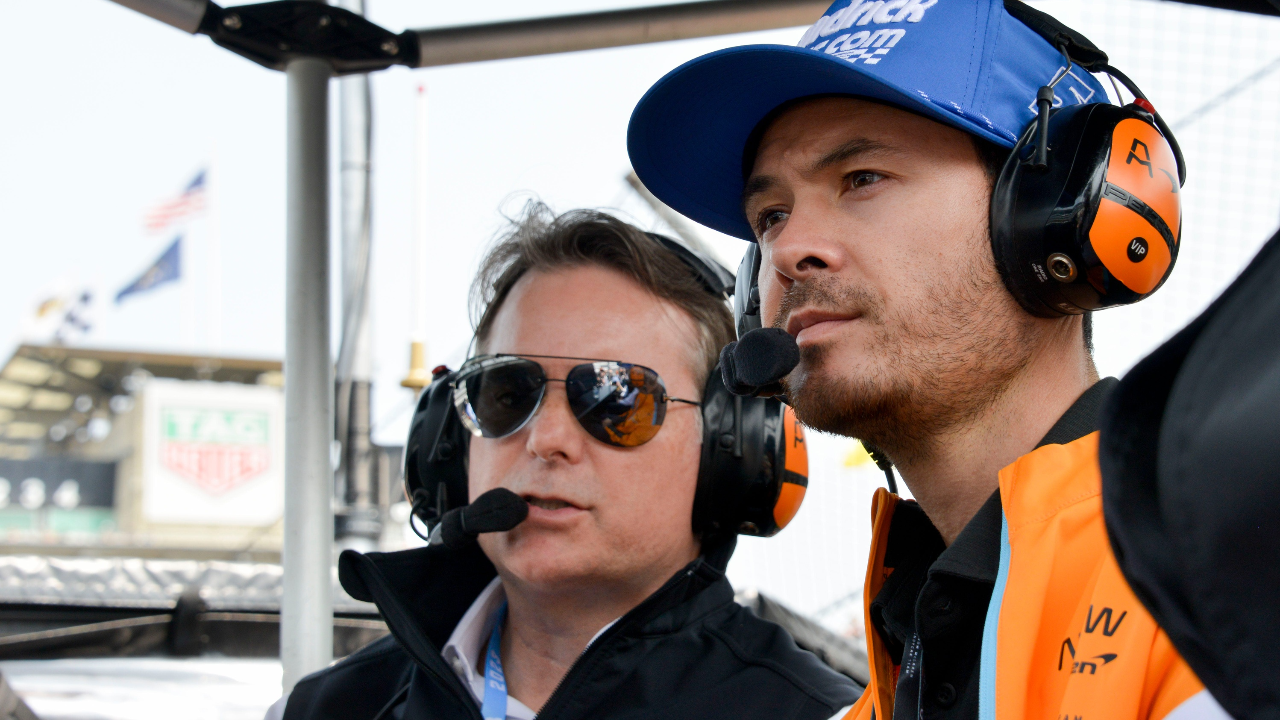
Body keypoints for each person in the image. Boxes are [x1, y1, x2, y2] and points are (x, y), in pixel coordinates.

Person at [627, 1, 1226, 718]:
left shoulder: (1225, 566)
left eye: (862, 178)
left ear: (1057, 208)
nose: (787, 251)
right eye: (771, 217)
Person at [273, 205, 862, 720]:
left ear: (728, 448)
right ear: (450, 442)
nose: (546, 438)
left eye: (616, 397)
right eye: (507, 394)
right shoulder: (324, 707)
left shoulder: (824, 715)